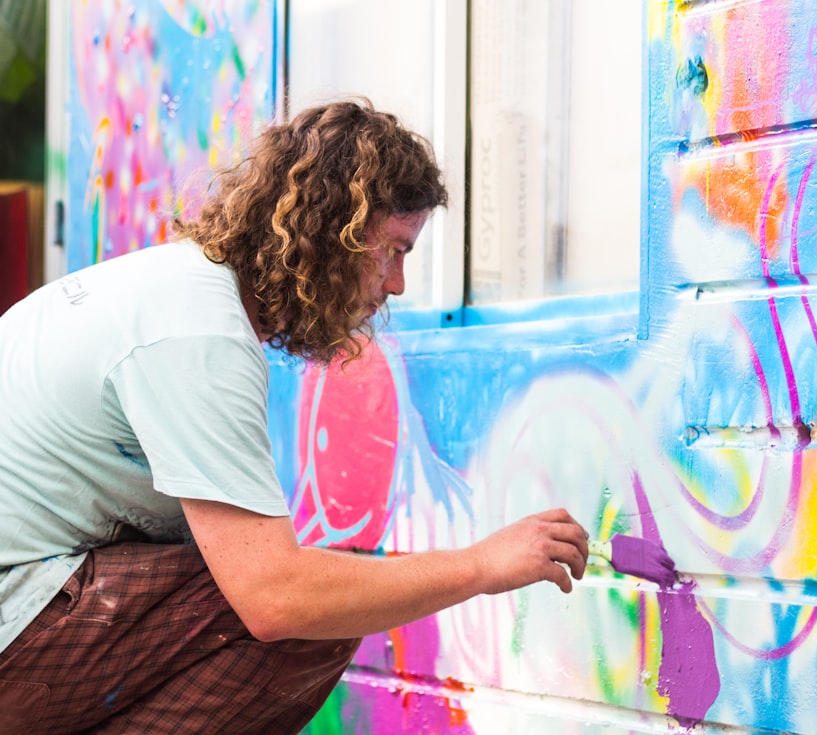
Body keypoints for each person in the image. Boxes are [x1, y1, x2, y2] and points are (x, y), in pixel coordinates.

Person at [0, 98, 589, 734]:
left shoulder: (173, 289)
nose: (396, 285)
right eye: (393, 249)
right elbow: (275, 596)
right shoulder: (197, 335)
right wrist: (479, 565)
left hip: (28, 611)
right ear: (332, 230)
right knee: (311, 615)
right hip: (16, 628)